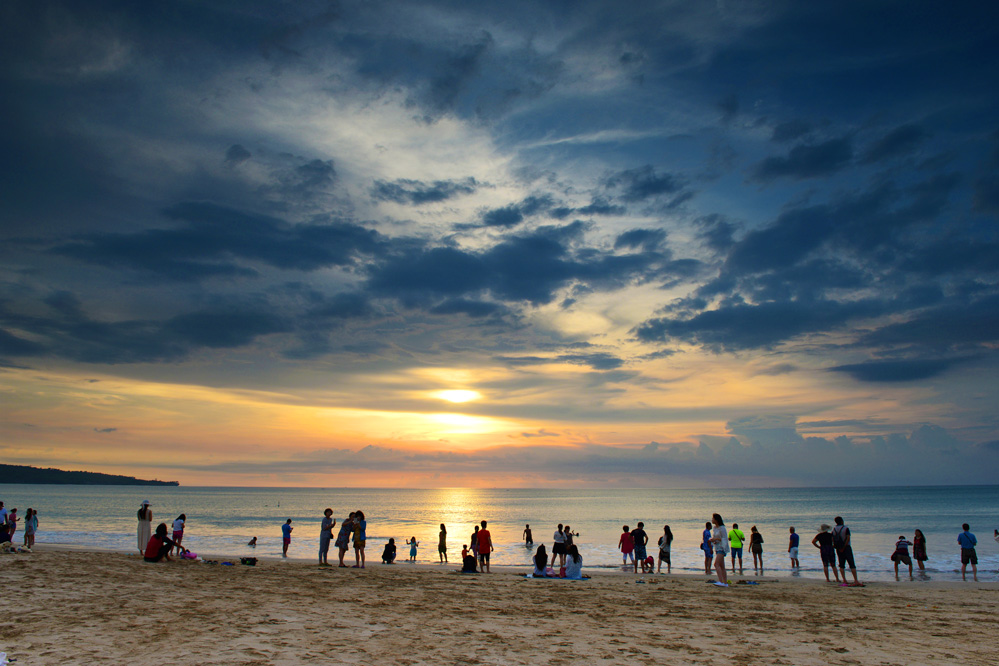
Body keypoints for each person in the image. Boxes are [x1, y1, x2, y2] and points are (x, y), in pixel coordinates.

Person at [832, 516, 859, 584]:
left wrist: (837, 547)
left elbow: (832, 539)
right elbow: (848, 538)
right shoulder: (845, 528)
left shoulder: (834, 529)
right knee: (852, 564)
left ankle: (844, 580)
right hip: (846, 547)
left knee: (841, 564)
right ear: (842, 521)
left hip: (838, 548)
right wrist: (844, 546)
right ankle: (855, 580)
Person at [709, 513, 729, 587]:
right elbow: (716, 537)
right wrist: (713, 540)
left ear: (716, 520)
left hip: (722, 547)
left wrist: (716, 539)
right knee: (722, 566)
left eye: (713, 518)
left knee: (716, 564)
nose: (712, 520)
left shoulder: (722, 528)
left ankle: (721, 581)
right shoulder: (714, 528)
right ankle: (725, 583)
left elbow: (724, 539)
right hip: (717, 547)